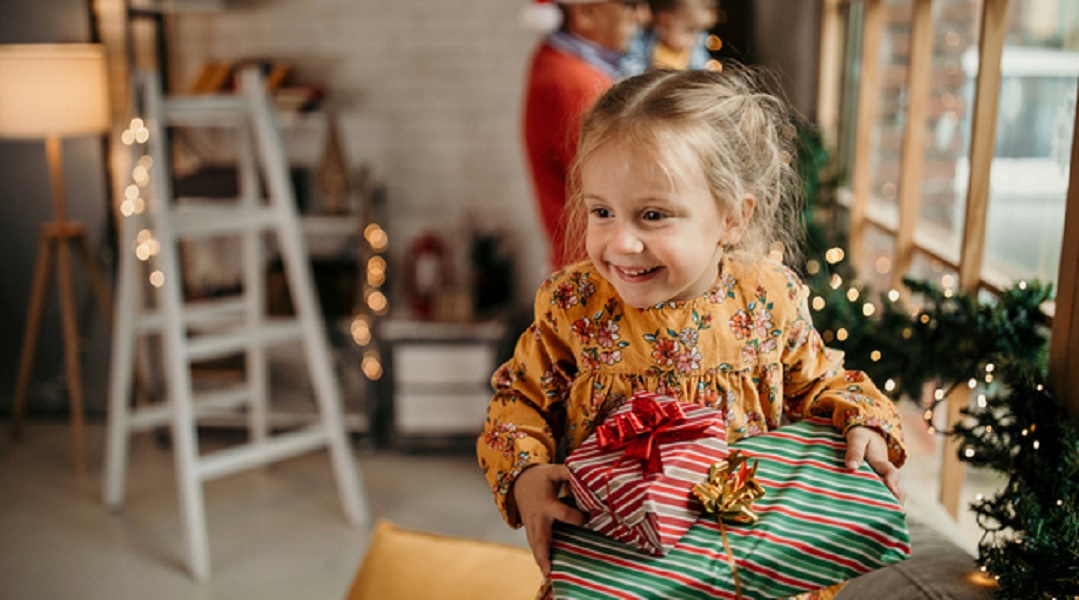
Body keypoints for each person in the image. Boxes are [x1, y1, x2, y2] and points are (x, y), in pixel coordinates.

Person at [478, 67, 907, 597]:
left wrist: (864, 423)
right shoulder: (573, 303)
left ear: (732, 218)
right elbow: (517, 400)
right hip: (620, 569)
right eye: (602, 211)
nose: (621, 242)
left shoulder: (770, 297)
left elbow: (823, 385)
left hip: (745, 567)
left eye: (653, 215)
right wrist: (525, 475)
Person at [522, 0, 651, 270]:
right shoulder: (577, 85)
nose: (643, 16)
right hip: (603, 270)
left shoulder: (557, 63)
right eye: (630, 5)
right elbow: (630, 185)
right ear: (586, 13)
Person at [620, 0, 719, 77]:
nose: (696, 40)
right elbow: (629, 69)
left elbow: (701, 73)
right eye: (689, 31)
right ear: (665, 22)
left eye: (700, 32)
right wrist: (649, 74)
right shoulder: (642, 44)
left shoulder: (695, 50)